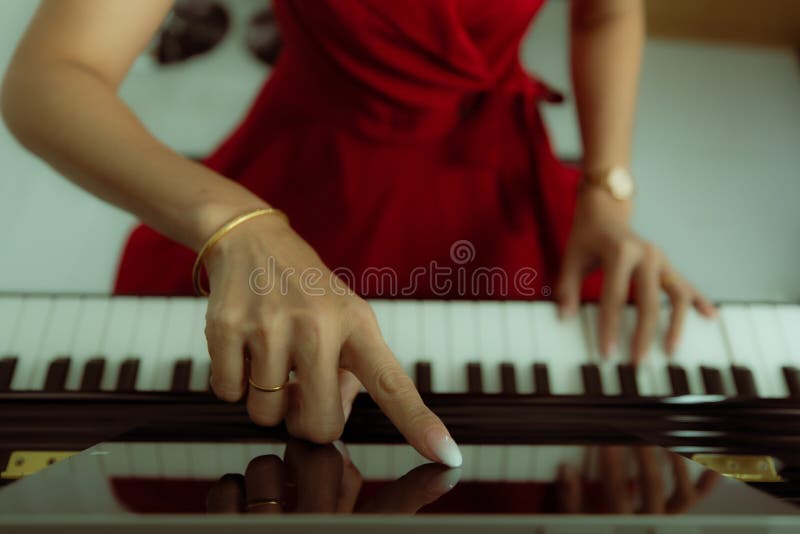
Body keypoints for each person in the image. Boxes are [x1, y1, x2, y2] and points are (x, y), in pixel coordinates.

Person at [1, 0, 716, 468]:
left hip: (498, 173)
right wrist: (235, 224)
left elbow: (607, 16)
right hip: (308, 171)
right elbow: (48, 76)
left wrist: (605, 193)